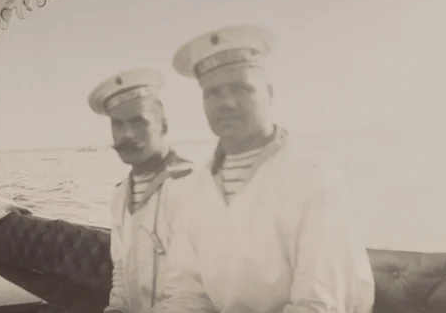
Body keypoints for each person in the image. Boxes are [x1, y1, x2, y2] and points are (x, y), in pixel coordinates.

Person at [152, 26, 374, 312]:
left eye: (241, 88)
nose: (226, 103)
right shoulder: (196, 189)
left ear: (269, 93)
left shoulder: (315, 180)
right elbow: (187, 293)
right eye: (213, 93)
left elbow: (321, 305)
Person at [87, 68, 197, 313]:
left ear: (164, 126)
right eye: (118, 124)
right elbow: (123, 273)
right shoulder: (120, 195)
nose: (126, 134)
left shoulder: (191, 188)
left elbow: (196, 293)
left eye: (139, 122)